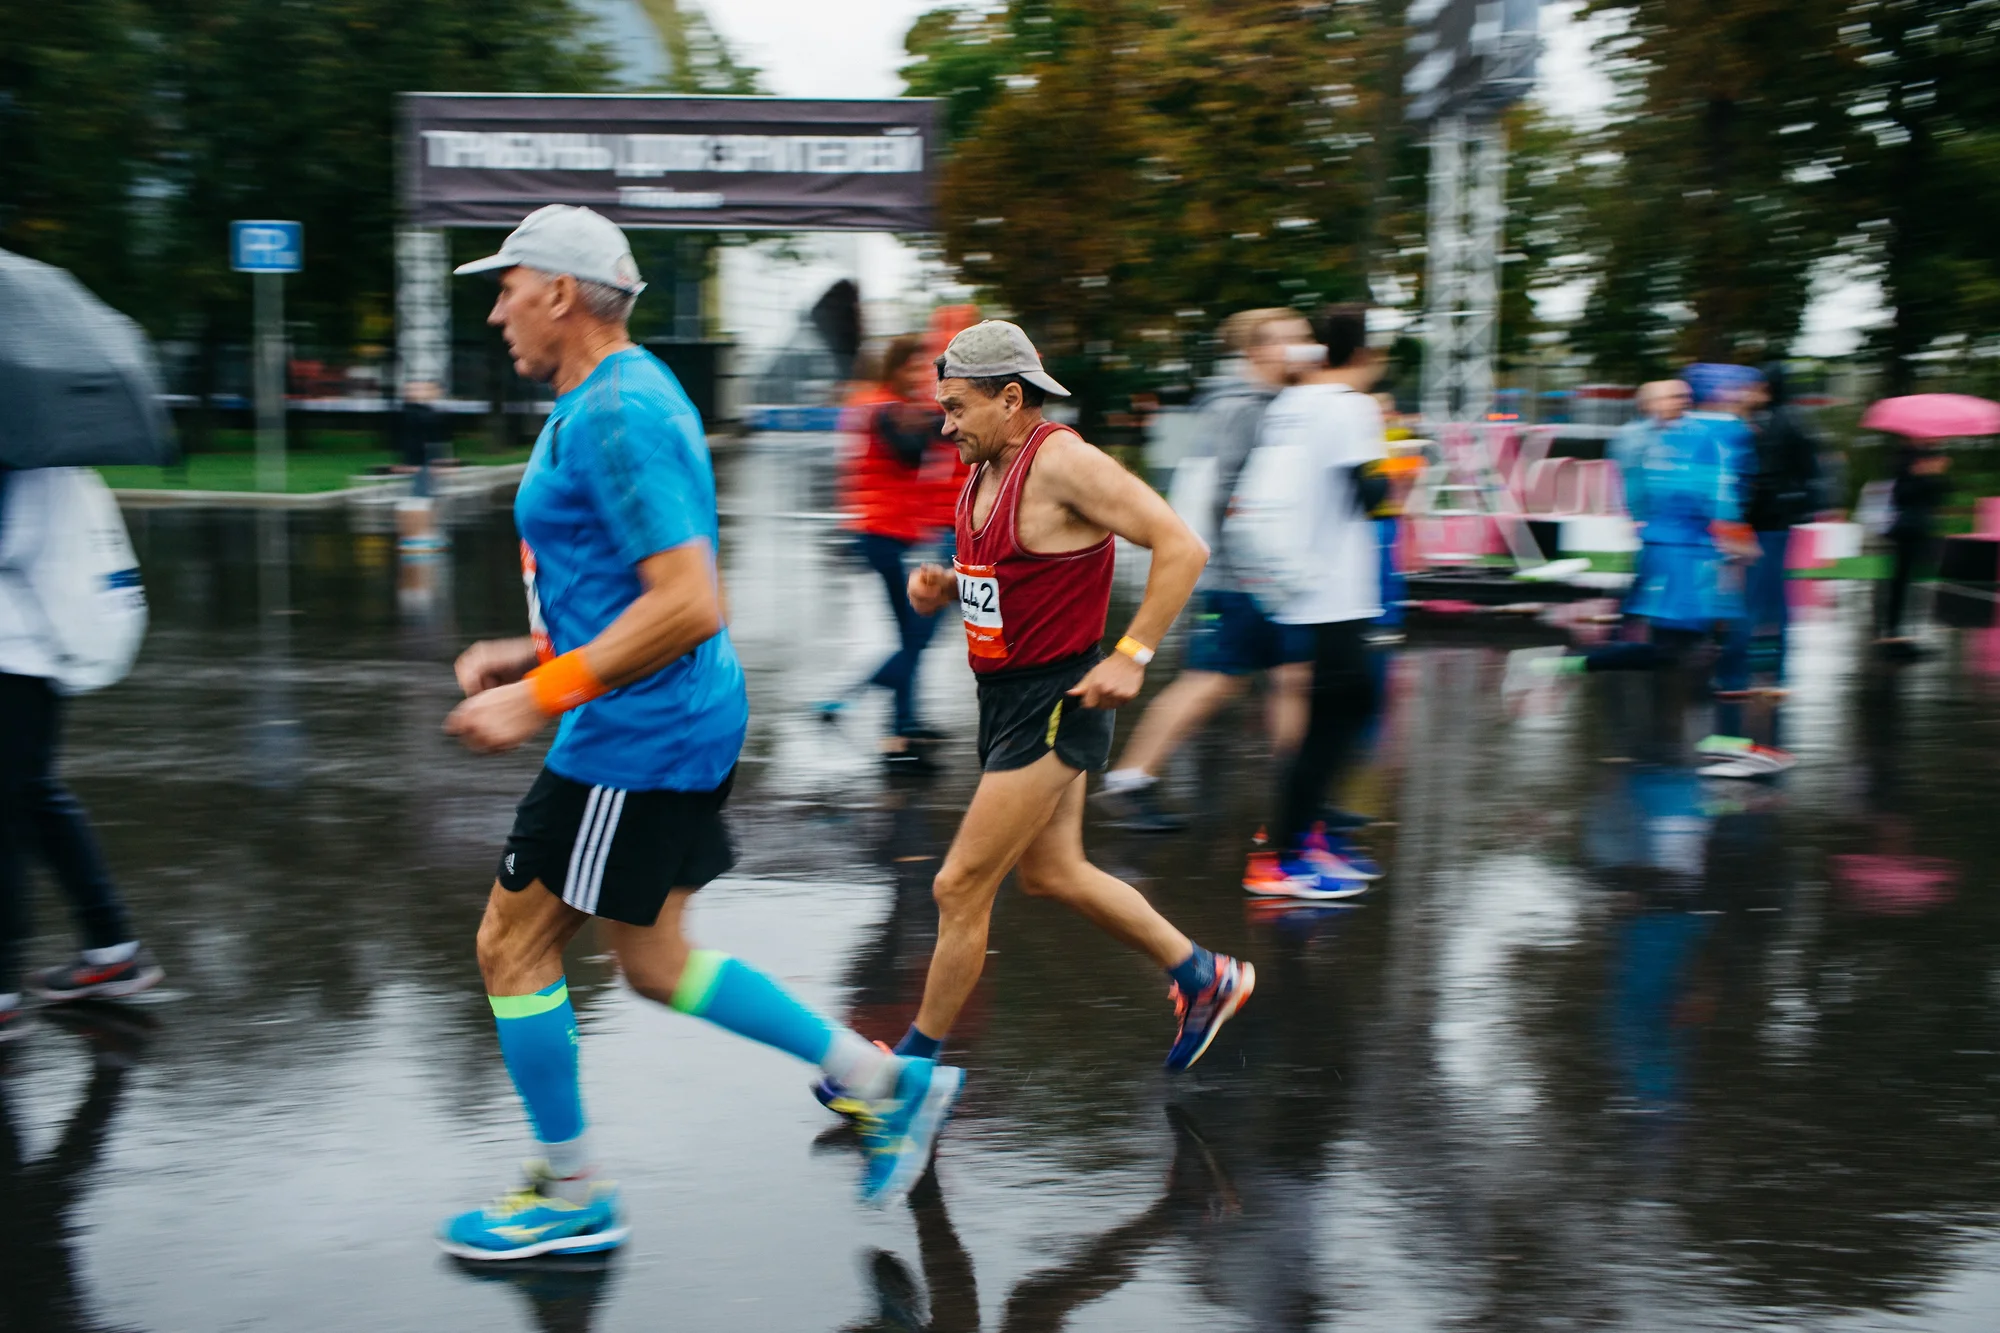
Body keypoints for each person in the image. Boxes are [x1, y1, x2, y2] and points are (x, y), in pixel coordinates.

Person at [436, 205, 960, 1260]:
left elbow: (685, 603)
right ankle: (882, 1084)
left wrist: (539, 697)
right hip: (657, 718)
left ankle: (574, 1192)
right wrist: (525, 652)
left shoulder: (619, 410)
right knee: (655, 959)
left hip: (633, 735)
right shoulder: (598, 400)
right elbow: (614, 584)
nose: (496, 310)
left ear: (559, 290)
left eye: (507, 286)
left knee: (511, 944)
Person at [823, 319, 1252, 1096]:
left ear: (1011, 396)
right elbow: (1020, 562)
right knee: (1054, 872)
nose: (944, 425)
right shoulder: (988, 464)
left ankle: (909, 1073)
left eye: (957, 408)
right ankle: (1205, 974)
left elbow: (1182, 545)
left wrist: (1132, 654)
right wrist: (947, 584)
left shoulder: (1062, 461)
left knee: (958, 886)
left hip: (1057, 701)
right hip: (1008, 698)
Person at [1095, 309, 1316, 832]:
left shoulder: (1266, 403)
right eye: (1294, 340)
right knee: (1219, 681)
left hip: (1255, 577)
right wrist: (1251, 570)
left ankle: (1303, 793)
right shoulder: (1244, 408)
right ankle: (1130, 780)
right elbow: (1228, 497)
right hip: (1243, 579)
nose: (1307, 348)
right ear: (1258, 353)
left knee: (1290, 678)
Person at [0, 468, 165, 1042]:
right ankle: (111, 946)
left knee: (11, 811)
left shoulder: (27, 461)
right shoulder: (40, 450)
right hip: (29, 656)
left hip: (15, 658)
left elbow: (15, 540)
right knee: (34, 798)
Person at [1240, 306, 1394, 900]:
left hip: (1300, 585)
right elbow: (1371, 496)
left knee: (1338, 714)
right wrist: (1402, 472)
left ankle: (1304, 839)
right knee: (1341, 716)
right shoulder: (1352, 406)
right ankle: (1281, 857)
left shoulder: (1295, 401)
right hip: (1335, 590)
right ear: (1364, 354)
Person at [824, 334, 966, 766]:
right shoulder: (884, 408)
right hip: (886, 534)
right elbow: (908, 452)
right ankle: (860, 702)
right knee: (916, 634)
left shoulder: (887, 406)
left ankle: (903, 725)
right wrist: (941, 420)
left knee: (913, 634)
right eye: (910, 367)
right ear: (892, 369)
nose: (916, 375)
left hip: (894, 532)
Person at [1716, 364, 1823, 694]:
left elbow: (1756, 479)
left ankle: (1734, 678)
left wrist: (1740, 522)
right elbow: (1811, 471)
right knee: (1776, 598)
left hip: (1756, 524)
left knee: (1746, 600)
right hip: (1779, 522)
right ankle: (1776, 675)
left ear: (1766, 388)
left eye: (1752, 386)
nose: (1745, 392)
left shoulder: (1759, 424)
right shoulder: (1795, 421)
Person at [1878, 433, 1951, 652]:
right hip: (1906, 528)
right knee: (1902, 579)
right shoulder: (1903, 460)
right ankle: (1894, 632)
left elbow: (1939, 497)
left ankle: (1906, 631)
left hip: (1923, 527)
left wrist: (1937, 473)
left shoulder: (1929, 458)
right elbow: (1901, 495)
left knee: (1916, 581)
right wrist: (1922, 473)